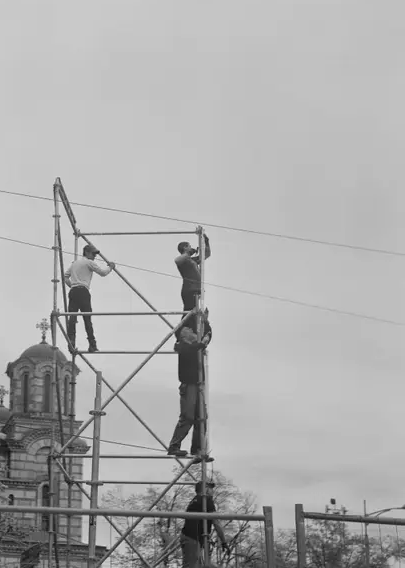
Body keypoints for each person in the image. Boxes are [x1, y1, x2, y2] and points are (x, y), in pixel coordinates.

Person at [167, 310, 212, 461]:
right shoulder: (183, 347)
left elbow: (207, 335)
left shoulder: (194, 345)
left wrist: (205, 323)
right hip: (189, 385)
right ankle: (174, 445)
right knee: (188, 416)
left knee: (201, 417)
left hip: (197, 384)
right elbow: (194, 345)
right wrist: (200, 343)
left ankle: (197, 449)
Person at [64, 244, 115, 353]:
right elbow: (103, 273)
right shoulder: (89, 262)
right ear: (87, 253)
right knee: (87, 319)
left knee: (72, 318)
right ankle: (92, 344)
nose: (94, 256)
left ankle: (71, 342)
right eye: (93, 254)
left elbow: (65, 276)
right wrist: (111, 267)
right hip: (83, 292)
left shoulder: (75, 263)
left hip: (73, 291)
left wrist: (72, 285)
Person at [180, 480, 228, 568]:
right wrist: (224, 541)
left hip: (192, 538)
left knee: (205, 565)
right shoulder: (206, 499)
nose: (212, 491)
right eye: (210, 488)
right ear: (205, 489)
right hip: (192, 538)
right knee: (191, 566)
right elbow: (216, 522)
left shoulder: (196, 500)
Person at [175, 231, 211, 312]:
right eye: (189, 246)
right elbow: (177, 260)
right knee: (190, 312)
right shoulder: (183, 261)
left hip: (195, 290)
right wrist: (189, 253)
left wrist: (207, 242)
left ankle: (188, 324)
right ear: (185, 248)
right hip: (189, 290)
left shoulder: (191, 260)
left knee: (193, 313)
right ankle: (184, 325)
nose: (191, 248)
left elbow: (206, 255)